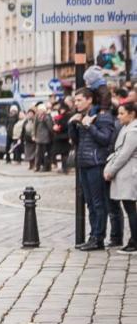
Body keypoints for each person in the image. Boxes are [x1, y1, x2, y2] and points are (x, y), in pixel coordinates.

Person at [70, 88, 118, 251]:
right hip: (84, 163)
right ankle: (92, 236)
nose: (76, 103)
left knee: (99, 203)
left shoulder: (102, 117)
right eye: (75, 101)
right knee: (90, 203)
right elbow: (77, 141)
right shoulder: (83, 117)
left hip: (96, 164)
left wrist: (89, 125)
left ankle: (98, 238)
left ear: (89, 100)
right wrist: (73, 124)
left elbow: (105, 140)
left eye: (79, 100)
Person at [106, 102, 137, 254]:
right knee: (129, 207)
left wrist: (111, 170)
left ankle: (135, 241)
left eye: (122, 113)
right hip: (126, 172)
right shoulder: (127, 128)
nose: (118, 116)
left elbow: (124, 154)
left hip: (129, 173)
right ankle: (133, 240)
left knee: (130, 208)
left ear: (131, 114)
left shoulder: (133, 130)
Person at [33, 103, 54, 172]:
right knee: (38, 153)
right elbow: (34, 127)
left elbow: (50, 127)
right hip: (39, 138)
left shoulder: (47, 117)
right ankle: (37, 166)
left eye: (40, 110)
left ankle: (46, 166)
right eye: (39, 110)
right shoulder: (37, 117)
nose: (39, 111)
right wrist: (34, 135)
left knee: (45, 153)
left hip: (46, 138)